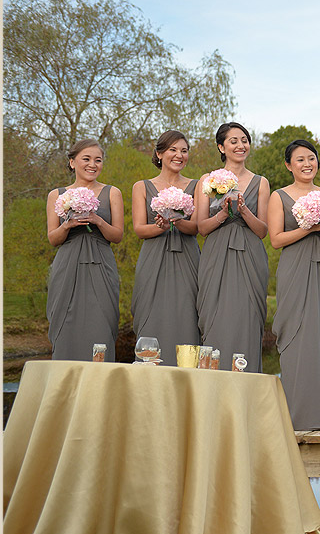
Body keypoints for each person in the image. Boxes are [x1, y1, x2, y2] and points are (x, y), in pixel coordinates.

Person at [268, 140, 320, 430]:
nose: (307, 164)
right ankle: (293, 416)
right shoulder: (279, 196)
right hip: (294, 269)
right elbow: (276, 240)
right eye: (300, 160)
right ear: (289, 165)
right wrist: (307, 227)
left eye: (311, 158)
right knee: (294, 333)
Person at [196, 122, 270, 373]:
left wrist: (244, 210)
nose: (241, 146)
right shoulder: (208, 180)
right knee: (214, 320)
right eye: (234, 141)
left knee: (248, 321)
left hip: (250, 256)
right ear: (221, 147)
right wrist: (224, 213)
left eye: (245, 140)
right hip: (216, 255)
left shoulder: (261, 183)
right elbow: (201, 227)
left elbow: (262, 231)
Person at [46, 139, 124, 361]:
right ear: (72, 162)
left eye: (97, 160)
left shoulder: (112, 193)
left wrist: (98, 221)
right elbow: (53, 238)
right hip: (67, 264)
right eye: (86, 159)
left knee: (102, 322)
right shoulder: (56, 195)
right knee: (64, 323)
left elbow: (117, 235)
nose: (92, 164)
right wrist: (68, 224)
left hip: (101, 263)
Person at [130, 130, 200, 366]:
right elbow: (139, 229)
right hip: (153, 259)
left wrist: (177, 221)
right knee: (150, 317)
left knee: (188, 316)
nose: (179, 155)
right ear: (159, 154)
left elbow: (197, 227)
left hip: (187, 258)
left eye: (184, 150)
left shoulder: (197, 185)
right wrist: (161, 227)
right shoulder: (141, 186)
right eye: (173, 150)